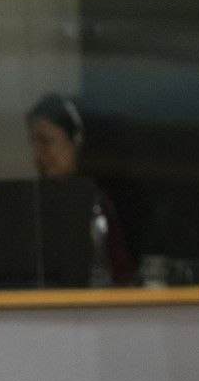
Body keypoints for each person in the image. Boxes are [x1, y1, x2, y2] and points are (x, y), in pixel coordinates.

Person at [26, 93, 135, 285]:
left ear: (75, 141)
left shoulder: (102, 202)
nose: (38, 155)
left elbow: (119, 274)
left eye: (45, 142)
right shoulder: (34, 203)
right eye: (33, 144)